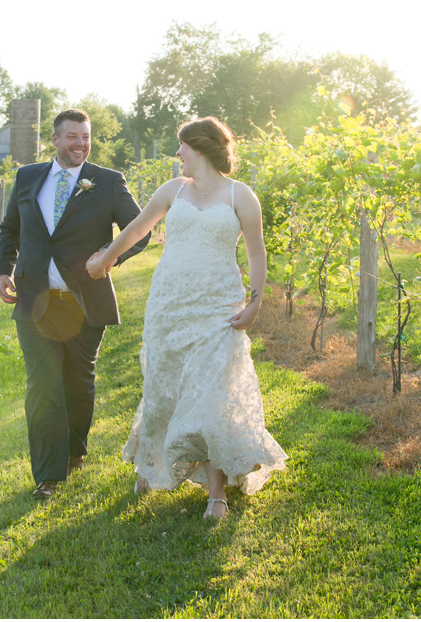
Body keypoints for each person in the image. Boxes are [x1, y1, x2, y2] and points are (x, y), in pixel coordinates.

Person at [86, 116, 287, 520]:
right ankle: (152, 463)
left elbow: (256, 252)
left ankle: (217, 494)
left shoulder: (240, 196)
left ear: (203, 148)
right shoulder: (173, 189)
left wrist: (256, 300)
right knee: (163, 389)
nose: (178, 154)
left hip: (217, 307)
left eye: (184, 147)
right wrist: (106, 259)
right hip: (169, 304)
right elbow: (137, 230)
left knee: (210, 399)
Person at [0, 108, 151, 500]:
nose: (81, 144)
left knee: (77, 385)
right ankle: (48, 475)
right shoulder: (27, 177)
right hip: (34, 302)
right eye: (72, 137)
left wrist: (106, 258)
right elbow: (10, 230)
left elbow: (141, 231)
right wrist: (3, 269)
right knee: (43, 385)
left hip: (84, 302)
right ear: (55, 140)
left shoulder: (108, 182)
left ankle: (75, 451)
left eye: (86, 137)